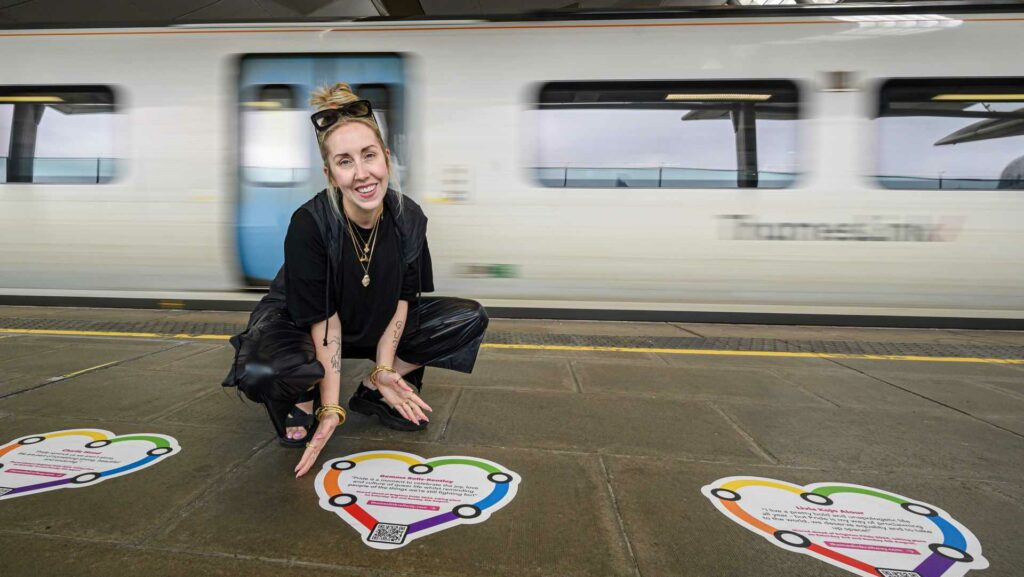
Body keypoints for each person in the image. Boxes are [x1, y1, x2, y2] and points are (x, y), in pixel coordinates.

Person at [260, 83, 487, 478]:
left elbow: (403, 299)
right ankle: (305, 395)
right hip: (301, 320)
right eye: (345, 162)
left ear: (387, 158)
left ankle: (372, 390)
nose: (362, 174)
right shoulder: (310, 224)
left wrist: (383, 368)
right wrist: (331, 407)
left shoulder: (408, 217)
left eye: (369, 156)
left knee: (466, 317)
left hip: (371, 316)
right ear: (330, 174)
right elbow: (323, 320)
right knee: (268, 366)